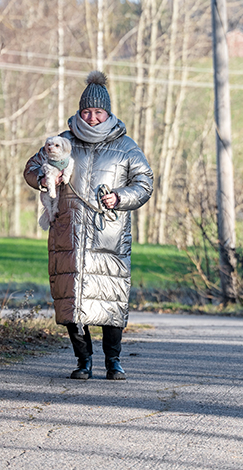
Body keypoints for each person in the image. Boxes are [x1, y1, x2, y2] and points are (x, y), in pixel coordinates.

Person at [23, 71, 153, 381]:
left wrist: (120, 197)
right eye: (87, 111)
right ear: (80, 111)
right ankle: (83, 361)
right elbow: (31, 168)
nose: (92, 117)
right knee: (72, 299)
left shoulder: (126, 147)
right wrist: (43, 178)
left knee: (111, 298)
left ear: (108, 112)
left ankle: (114, 361)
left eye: (98, 112)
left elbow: (144, 183)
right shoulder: (62, 143)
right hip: (69, 232)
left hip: (109, 234)